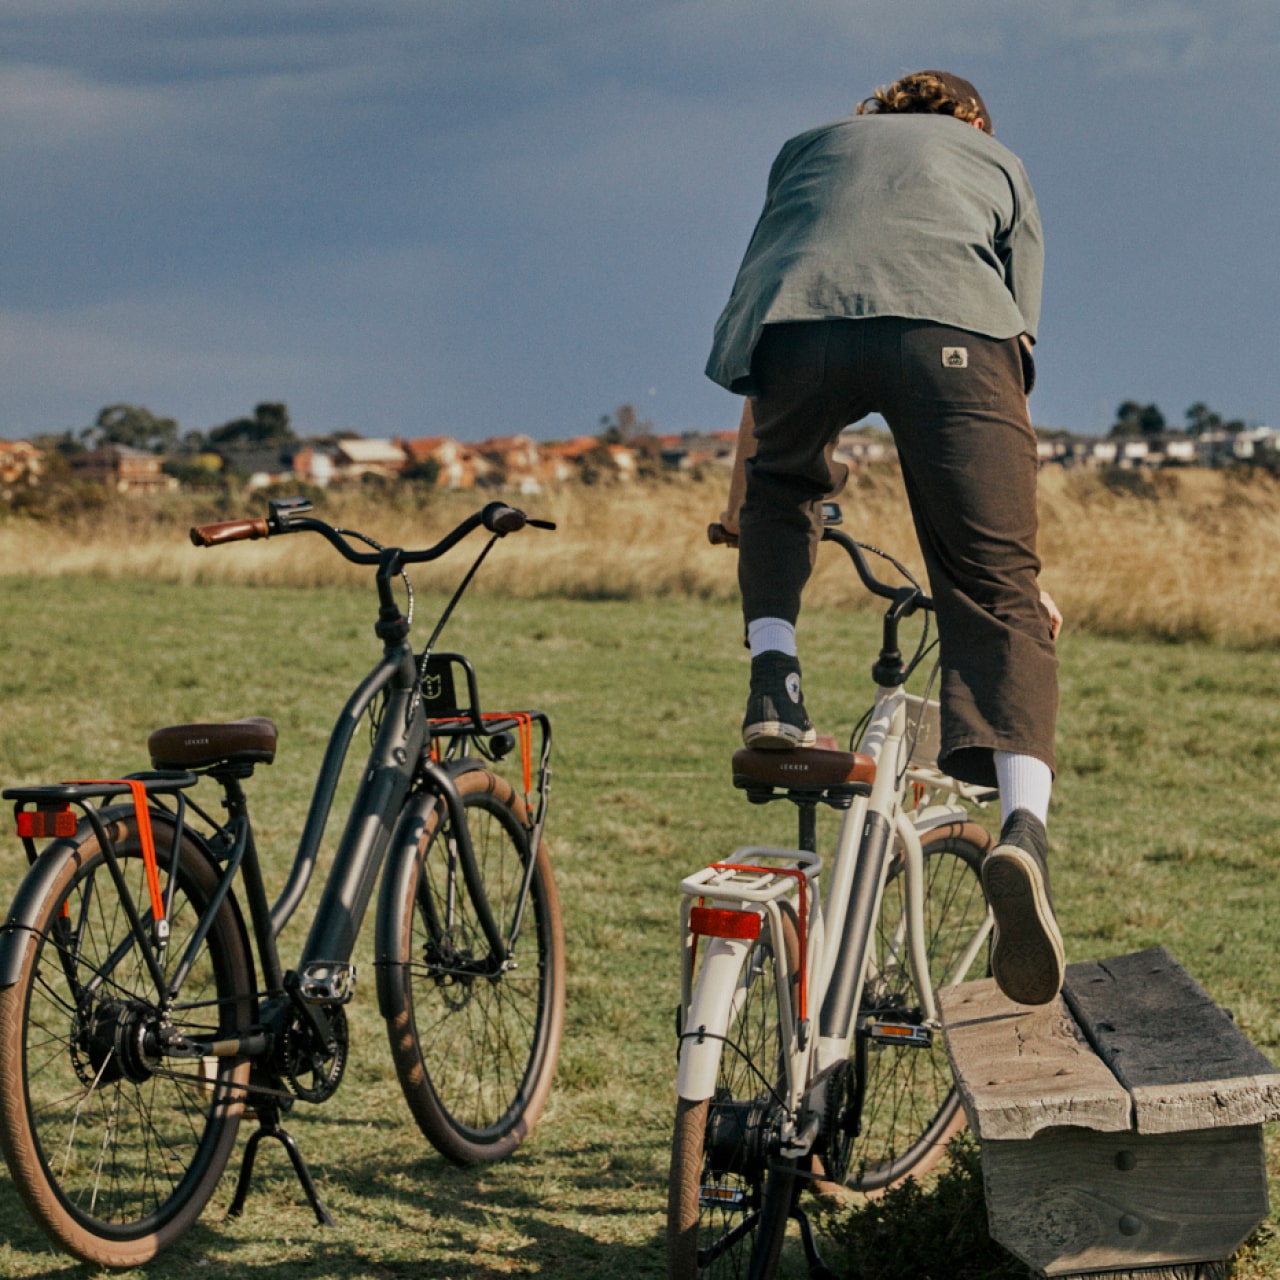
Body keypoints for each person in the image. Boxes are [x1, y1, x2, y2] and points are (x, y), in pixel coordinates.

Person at [707, 71, 1064, 1006]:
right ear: (973, 121)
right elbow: (1013, 347)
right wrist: (1015, 567)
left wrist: (747, 494)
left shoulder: (809, 148)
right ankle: (1023, 833)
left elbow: (766, 304)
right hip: (951, 331)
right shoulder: (997, 161)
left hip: (796, 332)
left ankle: (774, 682)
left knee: (787, 491)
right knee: (996, 589)